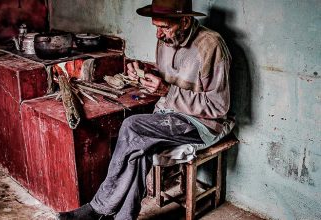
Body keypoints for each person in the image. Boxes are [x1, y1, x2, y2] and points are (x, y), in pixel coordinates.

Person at [58, 0, 234, 219]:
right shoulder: (165, 40)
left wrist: (167, 92)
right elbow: (168, 80)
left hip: (202, 123)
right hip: (168, 114)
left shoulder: (212, 46)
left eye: (164, 27)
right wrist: (141, 74)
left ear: (186, 21)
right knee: (139, 149)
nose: (158, 34)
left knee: (132, 126)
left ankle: (98, 208)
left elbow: (218, 106)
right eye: (156, 27)